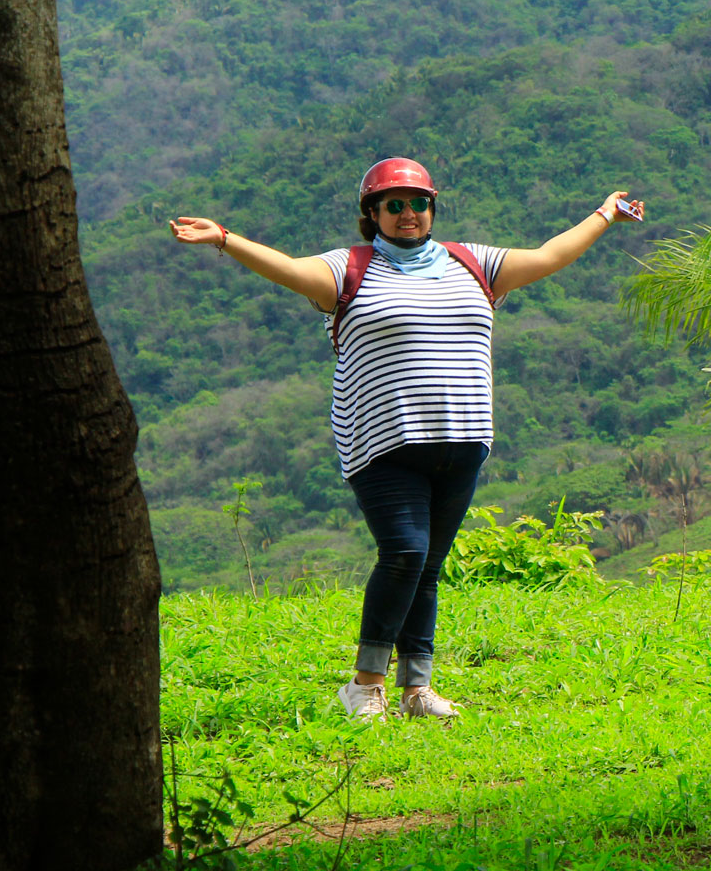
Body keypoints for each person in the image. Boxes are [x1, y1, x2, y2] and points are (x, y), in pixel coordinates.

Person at [170, 158, 644, 721]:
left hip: (463, 439)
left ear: (432, 207)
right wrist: (225, 238)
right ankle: (364, 686)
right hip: (382, 445)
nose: (408, 213)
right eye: (393, 205)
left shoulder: (474, 263)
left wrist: (605, 214)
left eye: (417, 202)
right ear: (372, 214)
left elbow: (548, 256)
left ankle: (416, 690)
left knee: (428, 565)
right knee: (404, 554)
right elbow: (287, 270)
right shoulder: (348, 269)